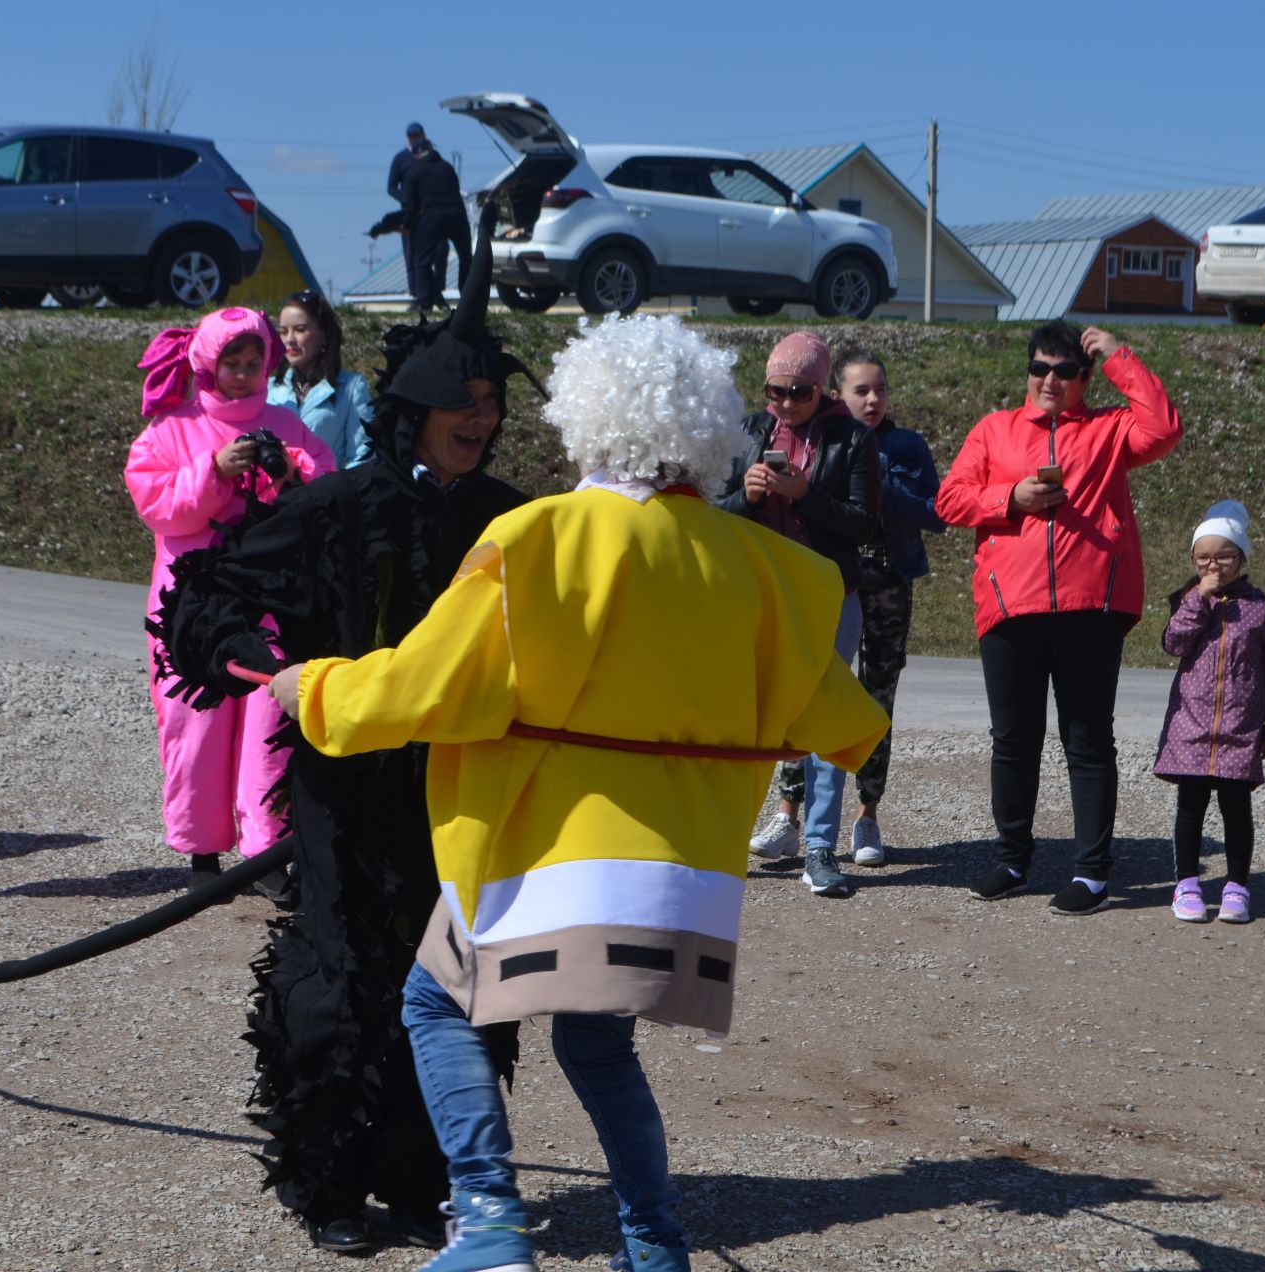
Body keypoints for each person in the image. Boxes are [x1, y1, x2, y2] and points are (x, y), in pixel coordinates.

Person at [264, 313, 889, 1272]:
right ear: (707, 429)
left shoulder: (539, 537)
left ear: (586, 417)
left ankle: (489, 1221)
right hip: (680, 877)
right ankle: (654, 1242)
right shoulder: (770, 573)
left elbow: (424, 687)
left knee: (437, 1005)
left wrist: (310, 690)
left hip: (542, 861)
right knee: (599, 1050)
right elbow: (849, 727)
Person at [152, 210, 538, 1257]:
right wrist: (265, 668)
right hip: (342, 792)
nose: (481, 415)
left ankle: (426, 1181)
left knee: (464, 987)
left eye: (494, 401)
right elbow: (206, 592)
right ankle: (324, 1182)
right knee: (337, 983)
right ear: (412, 410)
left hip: (468, 796)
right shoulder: (336, 506)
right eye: (463, 400)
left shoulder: (515, 522)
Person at [935, 321, 1182, 915]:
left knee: (1088, 741)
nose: (1050, 379)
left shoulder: (1109, 429)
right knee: (1013, 742)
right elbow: (949, 500)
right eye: (1040, 368)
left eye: (1065, 370)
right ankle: (1012, 860)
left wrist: (1120, 356)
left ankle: (1093, 873)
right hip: (1010, 607)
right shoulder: (994, 430)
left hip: (1089, 609)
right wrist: (1009, 498)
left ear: (1083, 377)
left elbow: (1164, 426)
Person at [126, 308, 335, 893]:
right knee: (196, 720)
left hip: (269, 593)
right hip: (190, 602)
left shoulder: (286, 424)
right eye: (232, 364)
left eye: (253, 364)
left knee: (269, 716)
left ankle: (264, 851)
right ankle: (201, 852)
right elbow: (160, 508)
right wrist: (212, 470)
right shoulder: (170, 429)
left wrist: (289, 474)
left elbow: (325, 485)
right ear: (206, 364)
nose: (243, 375)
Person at [722, 330, 880, 897]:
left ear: (822, 387)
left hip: (829, 599)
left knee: (824, 728)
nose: (786, 403)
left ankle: (819, 849)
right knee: (748, 721)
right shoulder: (748, 429)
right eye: (776, 391)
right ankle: (726, 840)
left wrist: (805, 492)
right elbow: (716, 512)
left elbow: (864, 522)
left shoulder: (853, 439)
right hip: (761, 596)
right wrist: (751, 495)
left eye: (800, 392)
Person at [827, 350, 947, 866]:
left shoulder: (906, 446)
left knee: (878, 698)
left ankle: (867, 816)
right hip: (834, 583)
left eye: (880, 389)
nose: (873, 399)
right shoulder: (824, 441)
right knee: (815, 691)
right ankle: (790, 814)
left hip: (891, 581)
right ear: (837, 396)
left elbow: (937, 514)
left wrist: (883, 484)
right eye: (861, 391)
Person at [1155, 501, 1265, 926]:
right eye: (1204, 558)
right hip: (1191, 728)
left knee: (1237, 808)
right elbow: (1173, 644)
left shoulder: (1264, 610)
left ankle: (1236, 887)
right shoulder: (1188, 600)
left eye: (1224, 556)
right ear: (1193, 561)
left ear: (1243, 558)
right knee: (1190, 806)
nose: (1214, 565)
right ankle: (1187, 884)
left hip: (1241, 728)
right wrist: (1199, 598)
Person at [268, 290, 374, 468]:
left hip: (327, 491)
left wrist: (334, 492)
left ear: (324, 334)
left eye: (300, 330)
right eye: (283, 331)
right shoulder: (269, 388)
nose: (289, 340)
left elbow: (362, 457)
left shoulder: (352, 387)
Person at [402, 137, 472, 314]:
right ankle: (468, 296)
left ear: (416, 154)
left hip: (432, 215)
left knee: (422, 261)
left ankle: (425, 303)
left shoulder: (413, 172)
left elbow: (410, 204)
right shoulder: (447, 167)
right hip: (457, 213)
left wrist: (409, 224)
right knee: (466, 256)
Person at [389, 121, 427, 302]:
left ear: (423, 136)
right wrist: (407, 201)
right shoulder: (400, 159)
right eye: (411, 137)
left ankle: (431, 292)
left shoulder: (430, 158)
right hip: (408, 215)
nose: (414, 140)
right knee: (410, 254)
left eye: (416, 136)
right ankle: (415, 294)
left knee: (432, 253)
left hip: (428, 212)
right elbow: (391, 187)